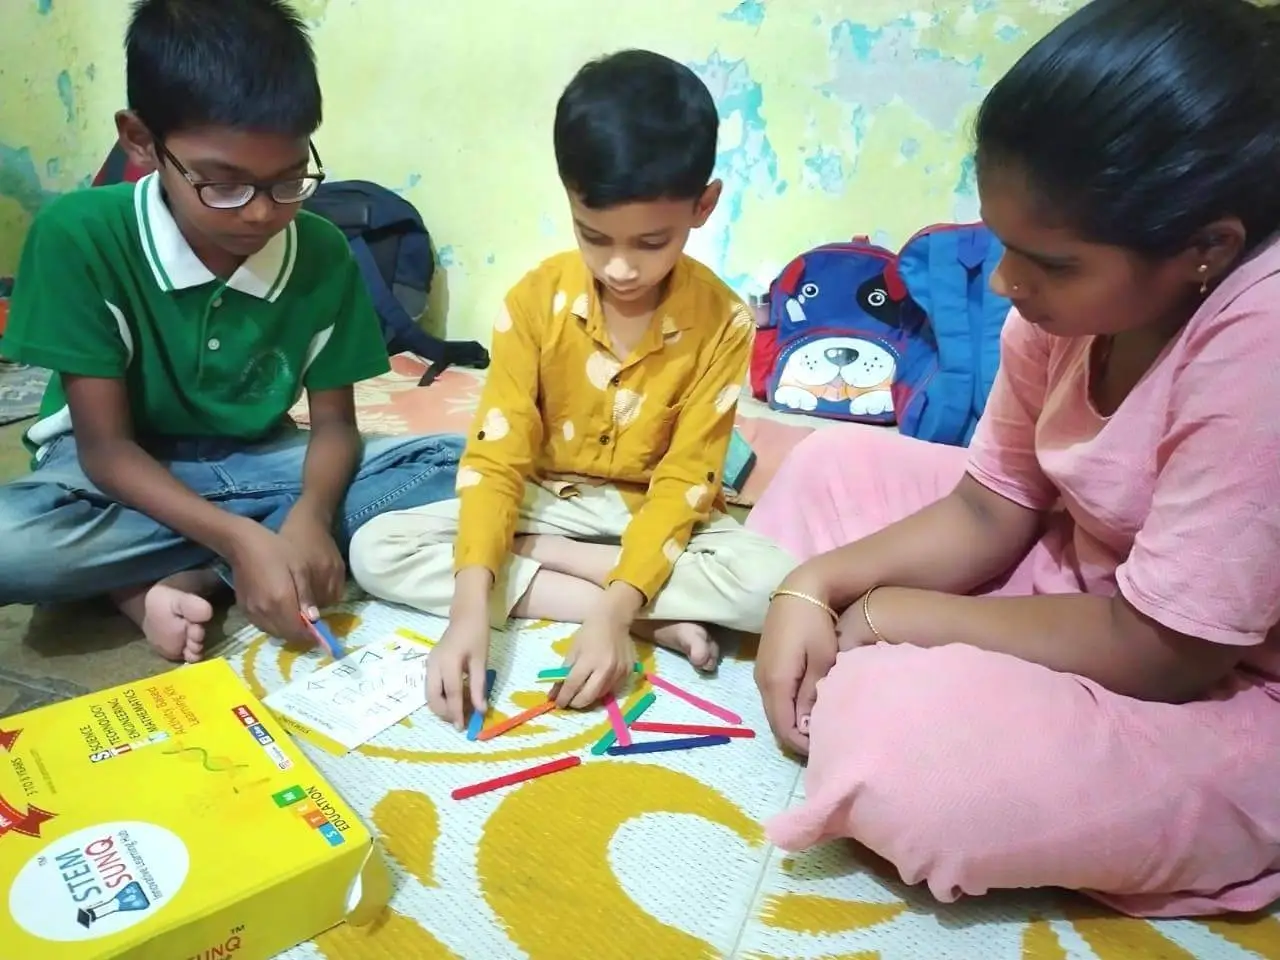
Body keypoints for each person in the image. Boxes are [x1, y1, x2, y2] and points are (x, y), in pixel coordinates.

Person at [748, 0, 1280, 918]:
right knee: (827, 467)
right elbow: (991, 506)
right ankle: (829, 633)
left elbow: (1170, 652)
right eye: (1002, 244)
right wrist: (814, 584)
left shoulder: (1259, 340)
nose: (1003, 283)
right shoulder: (1053, 304)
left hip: (1219, 674)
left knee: (913, 755)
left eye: (1051, 264)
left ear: (1207, 249)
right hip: (1090, 570)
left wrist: (886, 613)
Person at [0, 0, 463, 663]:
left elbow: (334, 426)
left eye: (288, 180)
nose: (261, 213)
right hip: (112, 467)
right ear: (139, 139)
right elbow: (106, 449)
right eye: (223, 184)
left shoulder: (322, 251)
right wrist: (245, 539)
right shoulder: (79, 235)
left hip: (252, 462)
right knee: (10, 545)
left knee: (451, 466)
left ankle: (173, 575)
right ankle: (225, 560)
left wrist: (308, 515)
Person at [350, 50, 795, 727]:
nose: (621, 268)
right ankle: (645, 613)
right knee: (375, 550)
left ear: (703, 206)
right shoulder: (534, 302)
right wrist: (470, 612)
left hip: (645, 514)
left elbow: (684, 483)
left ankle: (582, 581)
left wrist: (616, 597)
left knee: (776, 590)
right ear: (569, 197)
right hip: (543, 501)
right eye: (594, 237)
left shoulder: (724, 321)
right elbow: (497, 461)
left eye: (651, 241)